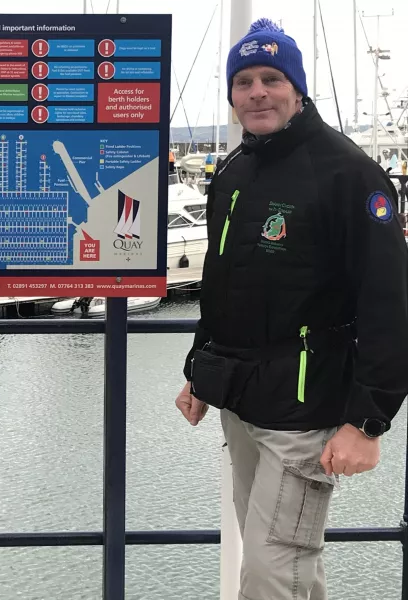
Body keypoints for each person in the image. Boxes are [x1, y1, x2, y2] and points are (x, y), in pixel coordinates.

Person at [174, 19, 408, 600]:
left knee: (276, 567)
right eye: (245, 81)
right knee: (274, 560)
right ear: (231, 95)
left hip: (305, 409)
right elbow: (223, 283)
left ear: (296, 89)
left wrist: (368, 421)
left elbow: (390, 302)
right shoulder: (233, 172)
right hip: (242, 400)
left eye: (272, 79)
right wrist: (200, 371)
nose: (258, 92)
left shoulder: (349, 173)